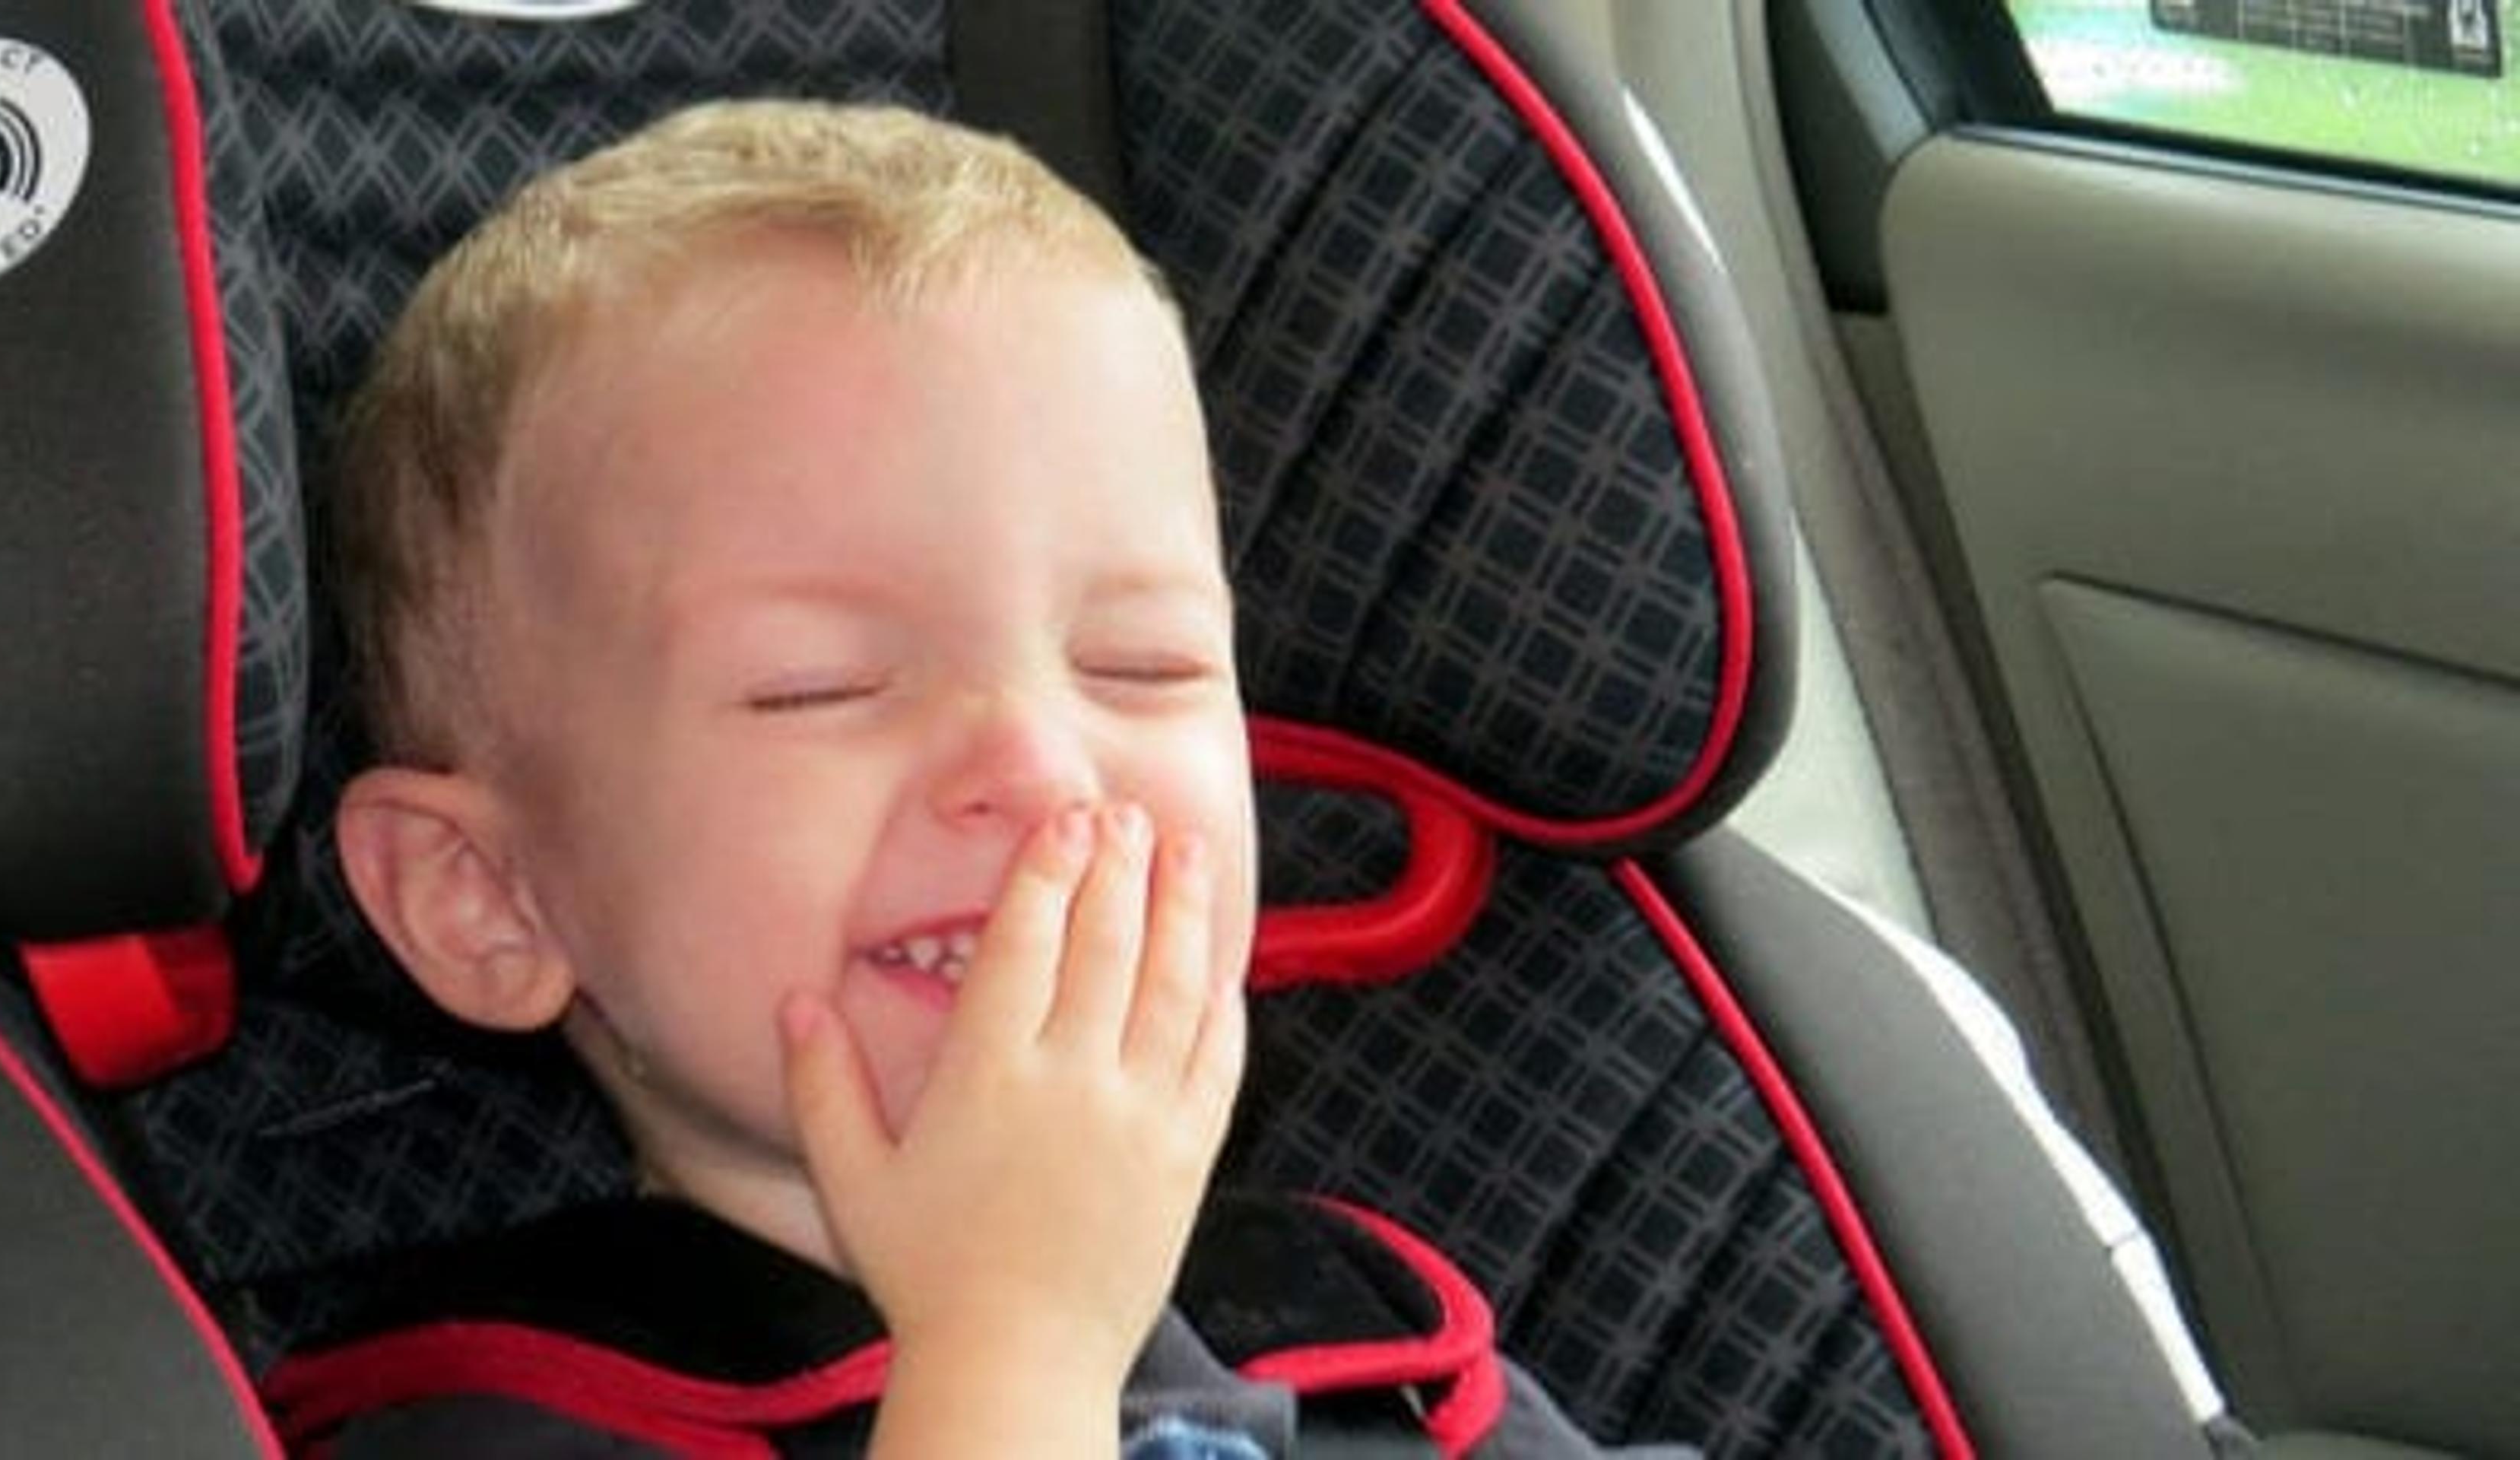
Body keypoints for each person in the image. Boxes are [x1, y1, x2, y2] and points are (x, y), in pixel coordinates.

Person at [316, 97, 1680, 1457]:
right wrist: (1012, 1345)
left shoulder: (1387, 1366)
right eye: (821, 687)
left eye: (1144, 665)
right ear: (484, 896)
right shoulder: (473, 1428)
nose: (1038, 767)